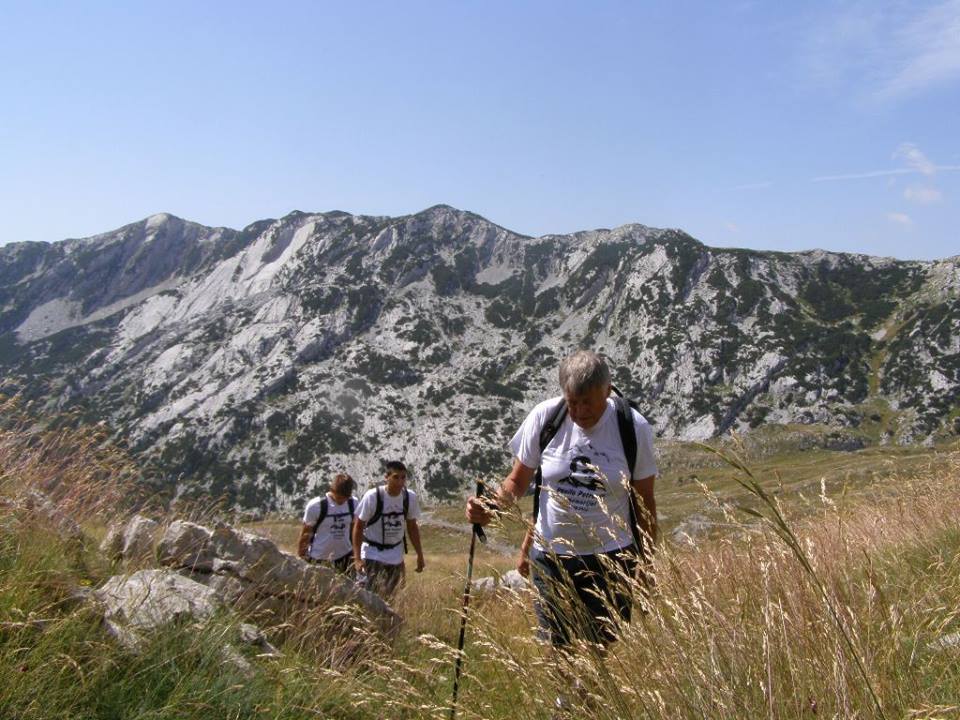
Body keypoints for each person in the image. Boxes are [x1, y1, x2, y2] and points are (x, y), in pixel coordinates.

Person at [466, 350, 658, 650]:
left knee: (601, 651)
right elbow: (517, 481)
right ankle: (566, 698)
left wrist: (647, 564)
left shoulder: (632, 427)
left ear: (607, 392)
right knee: (558, 648)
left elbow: (644, 501)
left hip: (612, 558)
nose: (580, 412)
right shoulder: (546, 418)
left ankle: (590, 697)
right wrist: (490, 507)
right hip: (551, 559)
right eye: (572, 402)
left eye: (588, 403)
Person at [352, 460, 425, 599]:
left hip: (395, 554)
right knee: (369, 596)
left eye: (403, 477)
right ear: (387, 477)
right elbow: (358, 526)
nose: (400, 482)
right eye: (396, 477)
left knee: (394, 596)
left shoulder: (409, 497)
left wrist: (420, 554)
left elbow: (412, 526)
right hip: (372, 553)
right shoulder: (372, 497)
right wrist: (357, 558)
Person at [298, 472, 359, 573]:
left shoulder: (353, 504)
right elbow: (306, 533)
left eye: (345, 498)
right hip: (319, 559)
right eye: (339, 497)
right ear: (332, 490)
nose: (342, 501)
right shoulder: (316, 506)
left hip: (345, 557)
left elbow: (354, 529)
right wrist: (302, 557)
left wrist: (356, 555)